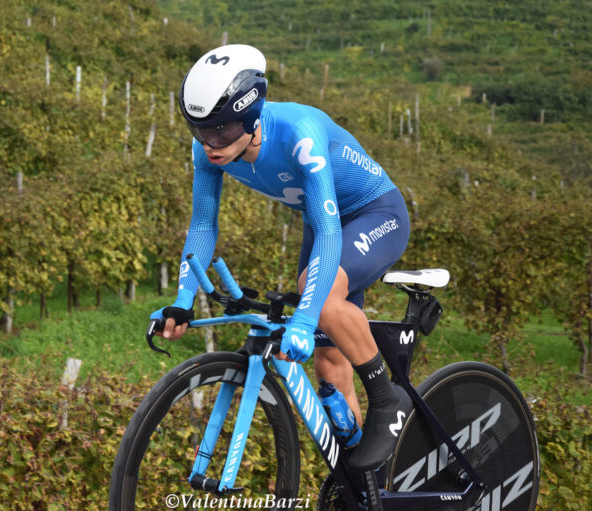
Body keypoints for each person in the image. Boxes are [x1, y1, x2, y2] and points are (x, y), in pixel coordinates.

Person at [151, 44, 412, 473]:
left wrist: (305, 320)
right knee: (329, 364)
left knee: (318, 297)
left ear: (252, 115)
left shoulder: (299, 133)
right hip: (322, 222)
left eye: (221, 132)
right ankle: (366, 486)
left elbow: (330, 231)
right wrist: (182, 300)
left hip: (375, 213)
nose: (210, 144)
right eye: (199, 131)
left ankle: (388, 399)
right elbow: (202, 226)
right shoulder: (209, 149)